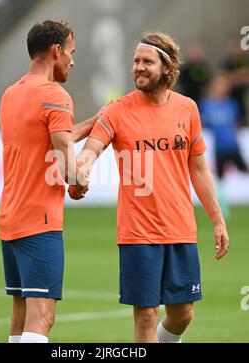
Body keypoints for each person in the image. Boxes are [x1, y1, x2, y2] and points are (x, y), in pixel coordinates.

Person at [69, 32, 229, 343]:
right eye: (135, 61)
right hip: (138, 231)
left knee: (183, 313)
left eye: (147, 62)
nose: (138, 68)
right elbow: (91, 150)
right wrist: (82, 170)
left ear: (167, 68)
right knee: (146, 316)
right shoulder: (116, 110)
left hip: (181, 227)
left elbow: (198, 169)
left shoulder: (188, 109)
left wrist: (218, 219)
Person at [0, 20, 97, 343]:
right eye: (71, 51)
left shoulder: (12, 94)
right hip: (39, 221)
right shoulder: (56, 95)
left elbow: (52, 138)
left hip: (11, 220)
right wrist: (80, 180)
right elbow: (67, 161)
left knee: (21, 315)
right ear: (56, 51)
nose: (73, 60)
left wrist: (96, 121)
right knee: (42, 318)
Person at [200, 73, 248, 219]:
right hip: (219, 148)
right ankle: (223, 210)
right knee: (219, 178)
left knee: (244, 170)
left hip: (233, 146)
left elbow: (237, 123)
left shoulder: (231, 104)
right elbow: (203, 123)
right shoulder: (206, 105)